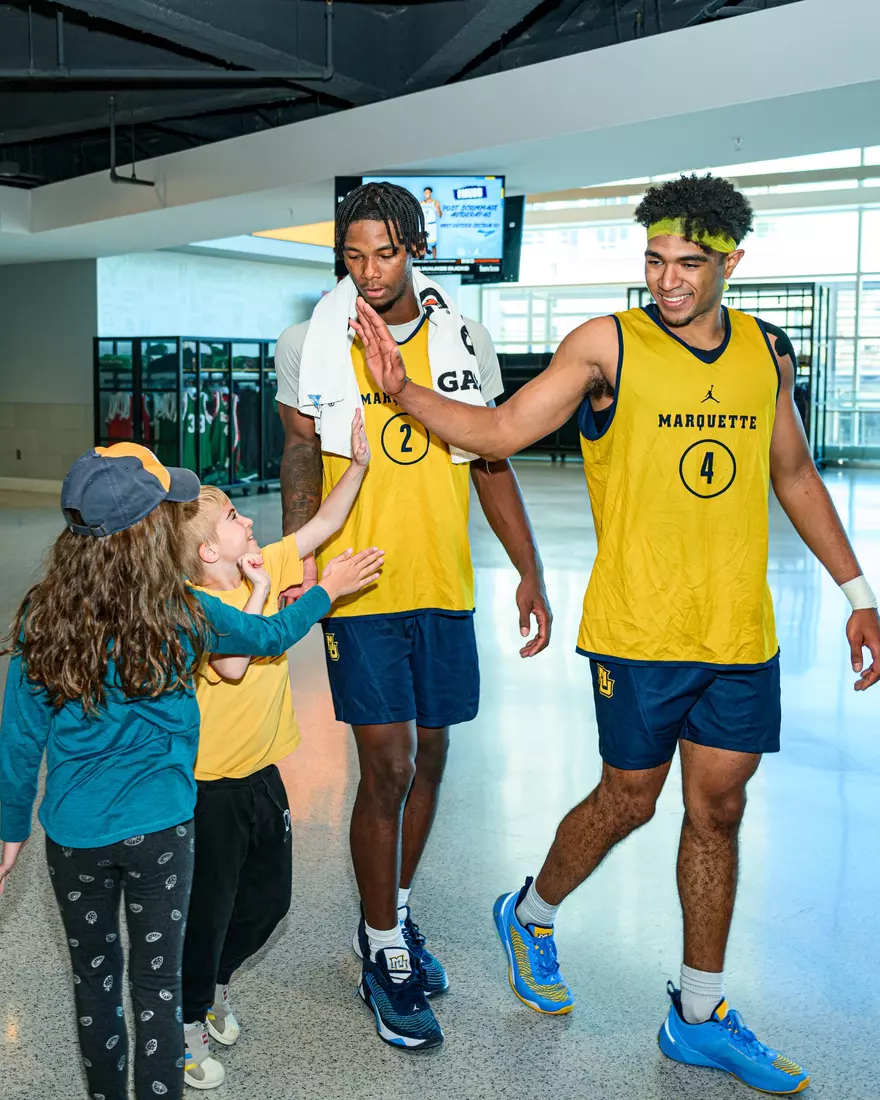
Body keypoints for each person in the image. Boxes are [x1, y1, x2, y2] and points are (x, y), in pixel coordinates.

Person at [352, 174, 880, 1093]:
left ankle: (699, 1011)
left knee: (718, 809)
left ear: (731, 264)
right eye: (654, 260)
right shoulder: (608, 344)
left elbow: (791, 473)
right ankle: (533, 911)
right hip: (639, 630)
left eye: (688, 263)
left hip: (739, 633)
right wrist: (404, 395)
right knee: (630, 800)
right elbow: (505, 430)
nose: (667, 280)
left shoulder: (764, 353)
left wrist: (857, 590)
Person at [0, 443, 382, 1100]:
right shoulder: (180, 610)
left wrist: (9, 829)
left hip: (75, 837)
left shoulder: (44, 614)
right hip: (163, 832)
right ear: (148, 531)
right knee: (156, 990)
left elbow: (19, 735)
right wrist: (324, 593)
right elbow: (264, 640)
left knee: (95, 987)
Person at [274, 181, 550, 1050]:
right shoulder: (308, 343)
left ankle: (391, 909)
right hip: (359, 589)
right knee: (386, 766)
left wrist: (530, 571)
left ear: (415, 246)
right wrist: (298, 561)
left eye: (384, 253)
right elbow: (299, 454)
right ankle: (383, 948)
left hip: (444, 583)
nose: (368, 272)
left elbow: (491, 461)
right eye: (352, 257)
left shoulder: (462, 338)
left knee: (431, 756)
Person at [179, 412, 370, 1089]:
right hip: (208, 791)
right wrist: (307, 591)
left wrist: (357, 467)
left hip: (262, 774)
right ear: (208, 552)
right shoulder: (197, 607)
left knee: (269, 902)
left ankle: (212, 985)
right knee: (207, 910)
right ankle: (184, 1019)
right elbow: (238, 659)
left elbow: (318, 529)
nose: (248, 522)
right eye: (234, 517)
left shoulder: (256, 565)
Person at [421, 186, 442, 259]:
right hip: (424, 225)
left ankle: (434, 259)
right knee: (423, 243)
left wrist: (438, 208)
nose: (426, 194)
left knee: (433, 245)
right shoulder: (421, 203)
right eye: (425, 192)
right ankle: (422, 260)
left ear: (431, 193)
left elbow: (440, 215)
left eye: (428, 192)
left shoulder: (435, 203)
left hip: (432, 225)